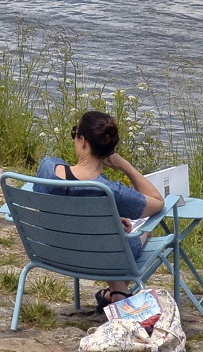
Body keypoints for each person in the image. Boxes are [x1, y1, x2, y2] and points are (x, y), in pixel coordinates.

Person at [37, 110, 164, 308]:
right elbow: (158, 201)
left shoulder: (47, 169)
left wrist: (107, 220)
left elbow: (68, 181)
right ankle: (119, 291)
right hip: (103, 257)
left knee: (109, 233)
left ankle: (117, 291)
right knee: (144, 227)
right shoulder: (110, 191)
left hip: (54, 250)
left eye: (74, 134)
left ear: (83, 141)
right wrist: (125, 166)